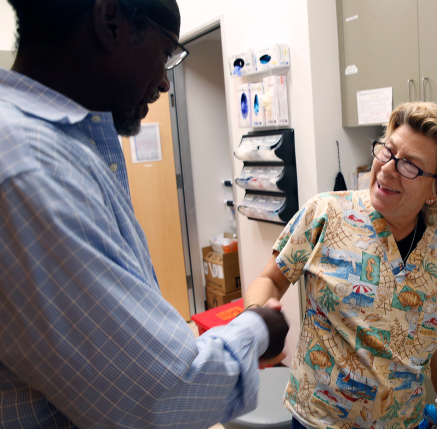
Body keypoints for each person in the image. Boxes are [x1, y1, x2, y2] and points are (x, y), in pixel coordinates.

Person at [0, 1, 288, 428]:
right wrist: (259, 326)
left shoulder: (77, 139)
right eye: (166, 52)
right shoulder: (31, 167)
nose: (165, 82)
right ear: (111, 22)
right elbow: (161, 394)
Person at [245, 102, 437, 429]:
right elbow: (270, 278)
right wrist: (257, 321)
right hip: (319, 421)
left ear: (435, 190)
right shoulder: (326, 214)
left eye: (410, 165)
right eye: (387, 151)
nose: (387, 168)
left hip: (402, 421)